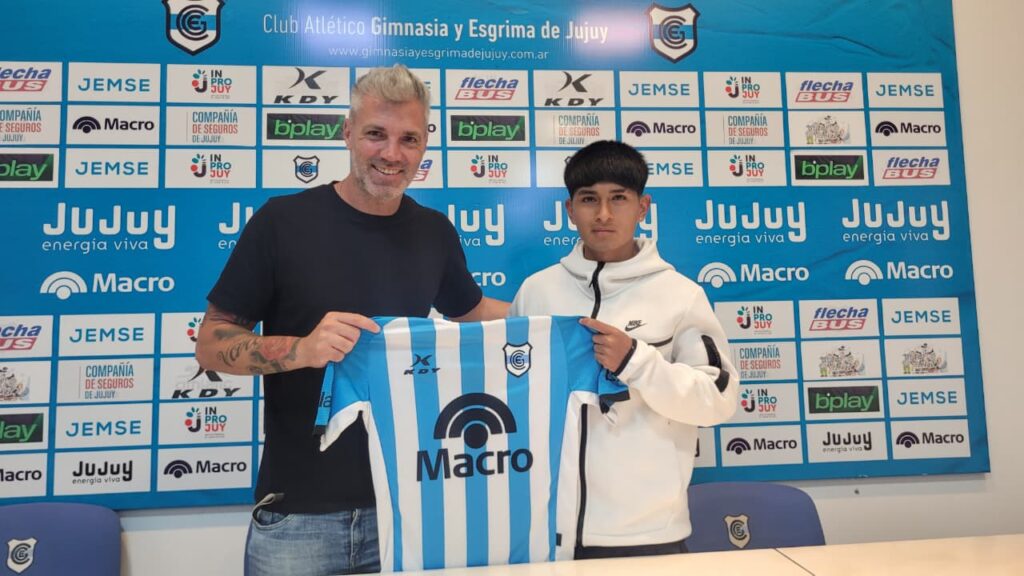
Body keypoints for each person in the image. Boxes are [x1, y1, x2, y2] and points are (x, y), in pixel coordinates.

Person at [195, 64, 508, 576]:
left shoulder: (434, 231)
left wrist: (578, 310)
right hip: (298, 515)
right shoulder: (281, 222)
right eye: (376, 134)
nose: (392, 154)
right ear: (346, 133)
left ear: (425, 143)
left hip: (407, 507)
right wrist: (302, 349)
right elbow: (211, 343)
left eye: (409, 139)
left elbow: (476, 313)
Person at [509, 140, 739, 559]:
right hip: (545, 531)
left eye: (618, 198)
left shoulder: (681, 295)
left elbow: (717, 400)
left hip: (646, 536)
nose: (603, 214)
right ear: (569, 210)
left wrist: (637, 361)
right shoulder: (536, 291)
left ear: (642, 207)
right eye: (588, 199)